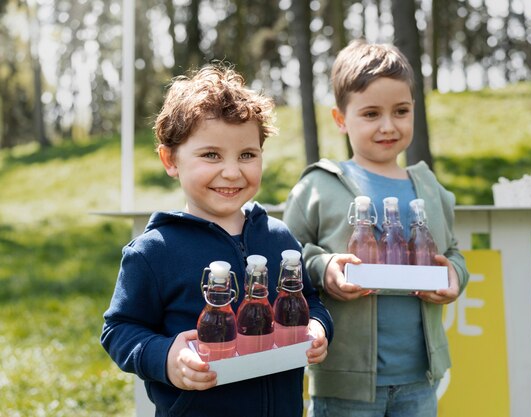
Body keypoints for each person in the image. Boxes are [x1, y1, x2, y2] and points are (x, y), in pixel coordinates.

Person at [101, 64, 333, 417]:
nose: (231, 171)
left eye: (247, 155)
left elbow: (311, 301)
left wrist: (318, 327)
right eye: (211, 155)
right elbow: (120, 329)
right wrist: (166, 358)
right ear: (170, 159)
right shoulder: (153, 251)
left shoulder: (279, 238)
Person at [282, 39, 470, 417]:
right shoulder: (318, 185)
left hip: (419, 378)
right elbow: (288, 257)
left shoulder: (430, 187)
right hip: (342, 380)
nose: (388, 126)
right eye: (370, 114)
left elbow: (451, 253)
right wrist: (325, 267)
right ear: (340, 119)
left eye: (401, 111)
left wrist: (454, 275)